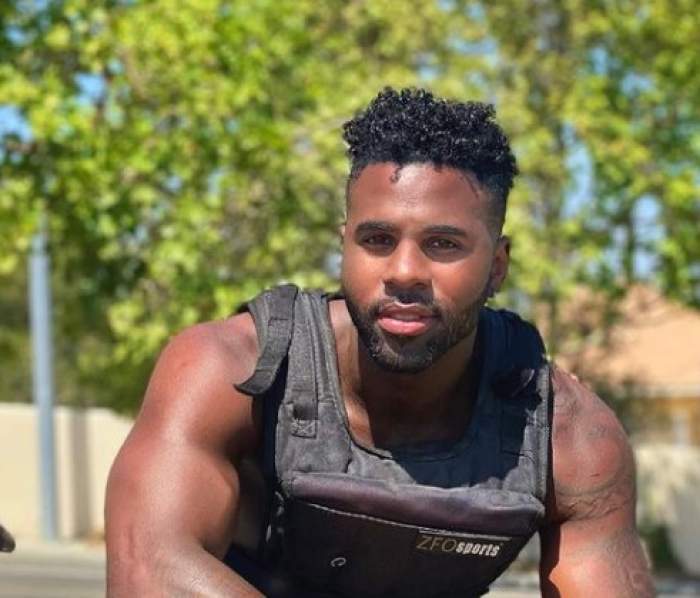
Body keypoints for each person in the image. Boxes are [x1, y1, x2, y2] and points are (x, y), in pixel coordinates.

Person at [105, 88, 654, 597]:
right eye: (378, 239)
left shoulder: (568, 435)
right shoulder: (228, 370)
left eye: (443, 244)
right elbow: (150, 569)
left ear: (497, 266)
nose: (404, 271)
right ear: (344, 245)